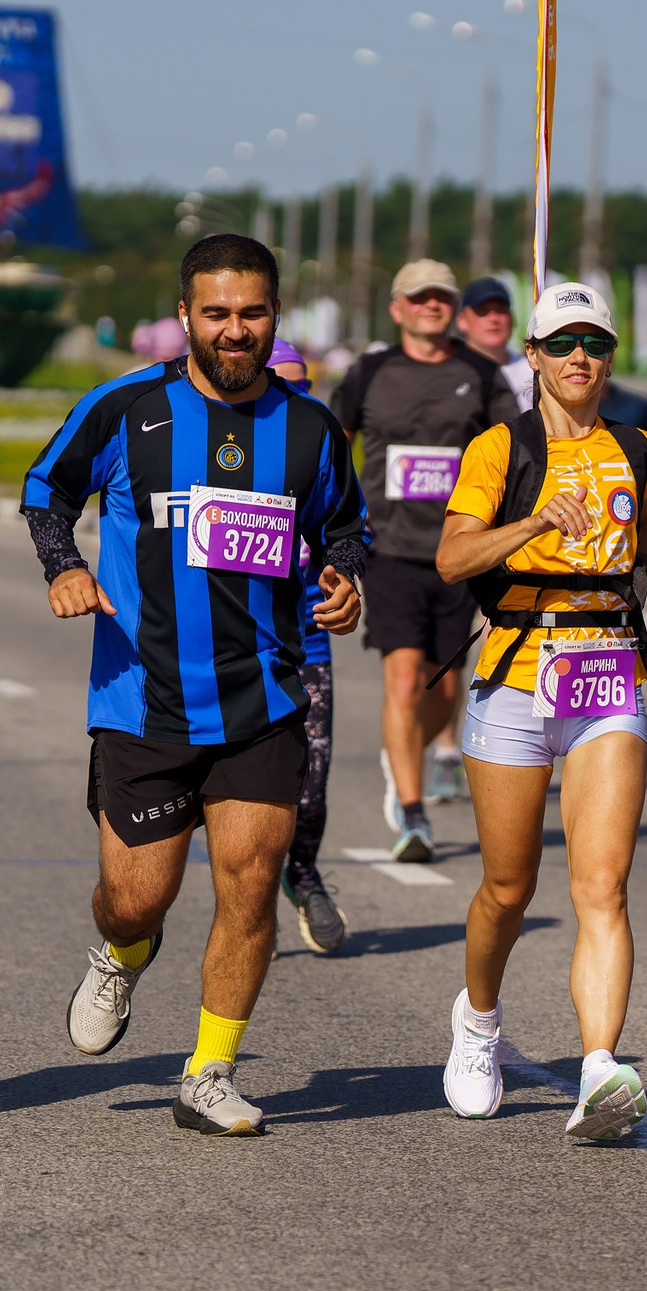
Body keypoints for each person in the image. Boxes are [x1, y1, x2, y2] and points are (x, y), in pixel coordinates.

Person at [26, 234, 367, 1137]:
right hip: (143, 698)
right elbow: (47, 489)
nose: (234, 330)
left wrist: (345, 581)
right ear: (184, 315)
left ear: (275, 316)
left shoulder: (310, 430)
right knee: (137, 895)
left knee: (250, 886)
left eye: (252, 313)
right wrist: (63, 565)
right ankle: (123, 950)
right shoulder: (125, 409)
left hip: (265, 698)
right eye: (216, 313)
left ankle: (209, 1073)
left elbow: (345, 528)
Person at [434, 280, 647, 1139]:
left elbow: (644, 520)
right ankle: (478, 1021)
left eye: (594, 343)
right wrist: (529, 524)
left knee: (603, 885)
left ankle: (598, 1067)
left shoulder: (634, 444)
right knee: (508, 888)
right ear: (533, 356)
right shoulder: (500, 447)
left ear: (610, 356)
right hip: (518, 675)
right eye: (561, 343)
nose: (579, 357)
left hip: (606, 673)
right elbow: (453, 558)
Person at [330, 259, 521, 859]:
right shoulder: (371, 372)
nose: (430, 305)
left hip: (459, 554)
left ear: (453, 308)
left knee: (444, 683)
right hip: (388, 548)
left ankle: (406, 752)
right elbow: (332, 448)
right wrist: (332, 522)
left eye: (441, 296)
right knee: (405, 675)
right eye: (418, 297)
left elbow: (516, 454)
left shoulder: (481, 374)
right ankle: (413, 814)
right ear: (397, 309)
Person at [263, 333, 348, 954]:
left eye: (304, 385)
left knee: (310, 786)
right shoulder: (227, 448)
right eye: (283, 384)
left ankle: (303, 872)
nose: (296, 396)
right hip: (237, 646)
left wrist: (346, 568)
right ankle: (249, 900)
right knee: (239, 794)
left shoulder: (321, 447)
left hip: (308, 643)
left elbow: (350, 530)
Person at [455, 275, 532, 413]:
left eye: (500, 310)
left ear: (512, 318)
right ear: (461, 320)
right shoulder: (448, 373)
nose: (494, 318)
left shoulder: (533, 372)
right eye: (483, 311)